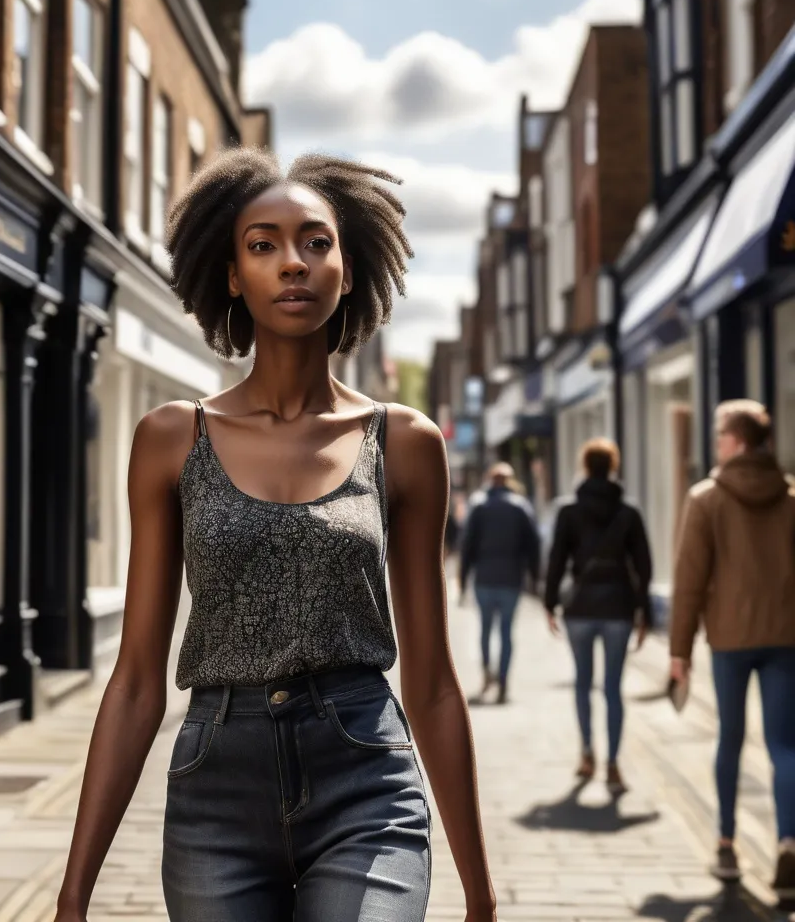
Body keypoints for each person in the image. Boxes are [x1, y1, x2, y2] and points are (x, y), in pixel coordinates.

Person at [53, 150, 497, 922]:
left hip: (366, 780)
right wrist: (72, 895)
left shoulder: (407, 443)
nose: (293, 262)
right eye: (263, 245)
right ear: (231, 274)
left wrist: (482, 896)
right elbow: (133, 681)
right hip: (215, 788)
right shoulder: (170, 439)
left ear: (349, 270)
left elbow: (432, 683)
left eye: (316, 242)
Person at [671, 400, 795, 897]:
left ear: (738, 441)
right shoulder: (791, 498)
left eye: (721, 434)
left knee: (731, 739)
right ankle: (788, 842)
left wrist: (679, 650)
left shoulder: (706, 498)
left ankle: (725, 843)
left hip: (728, 640)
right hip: (786, 637)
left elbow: (689, 582)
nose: (716, 442)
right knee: (785, 745)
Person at [544, 439, 652, 794]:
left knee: (582, 682)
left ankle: (587, 752)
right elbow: (644, 567)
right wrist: (643, 612)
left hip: (580, 608)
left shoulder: (570, 511)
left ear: (586, 468)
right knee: (612, 689)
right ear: (614, 467)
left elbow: (557, 561)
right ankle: (614, 763)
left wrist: (549, 603)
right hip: (619, 607)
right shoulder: (629, 513)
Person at [459, 462, 540, 704]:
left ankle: (487, 673)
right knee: (506, 632)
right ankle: (503, 680)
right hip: (511, 578)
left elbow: (467, 545)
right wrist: (535, 578)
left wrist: (463, 580)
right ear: (509, 480)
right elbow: (533, 545)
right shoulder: (521, 506)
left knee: (485, 629)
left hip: (484, 577)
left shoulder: (479, 505)